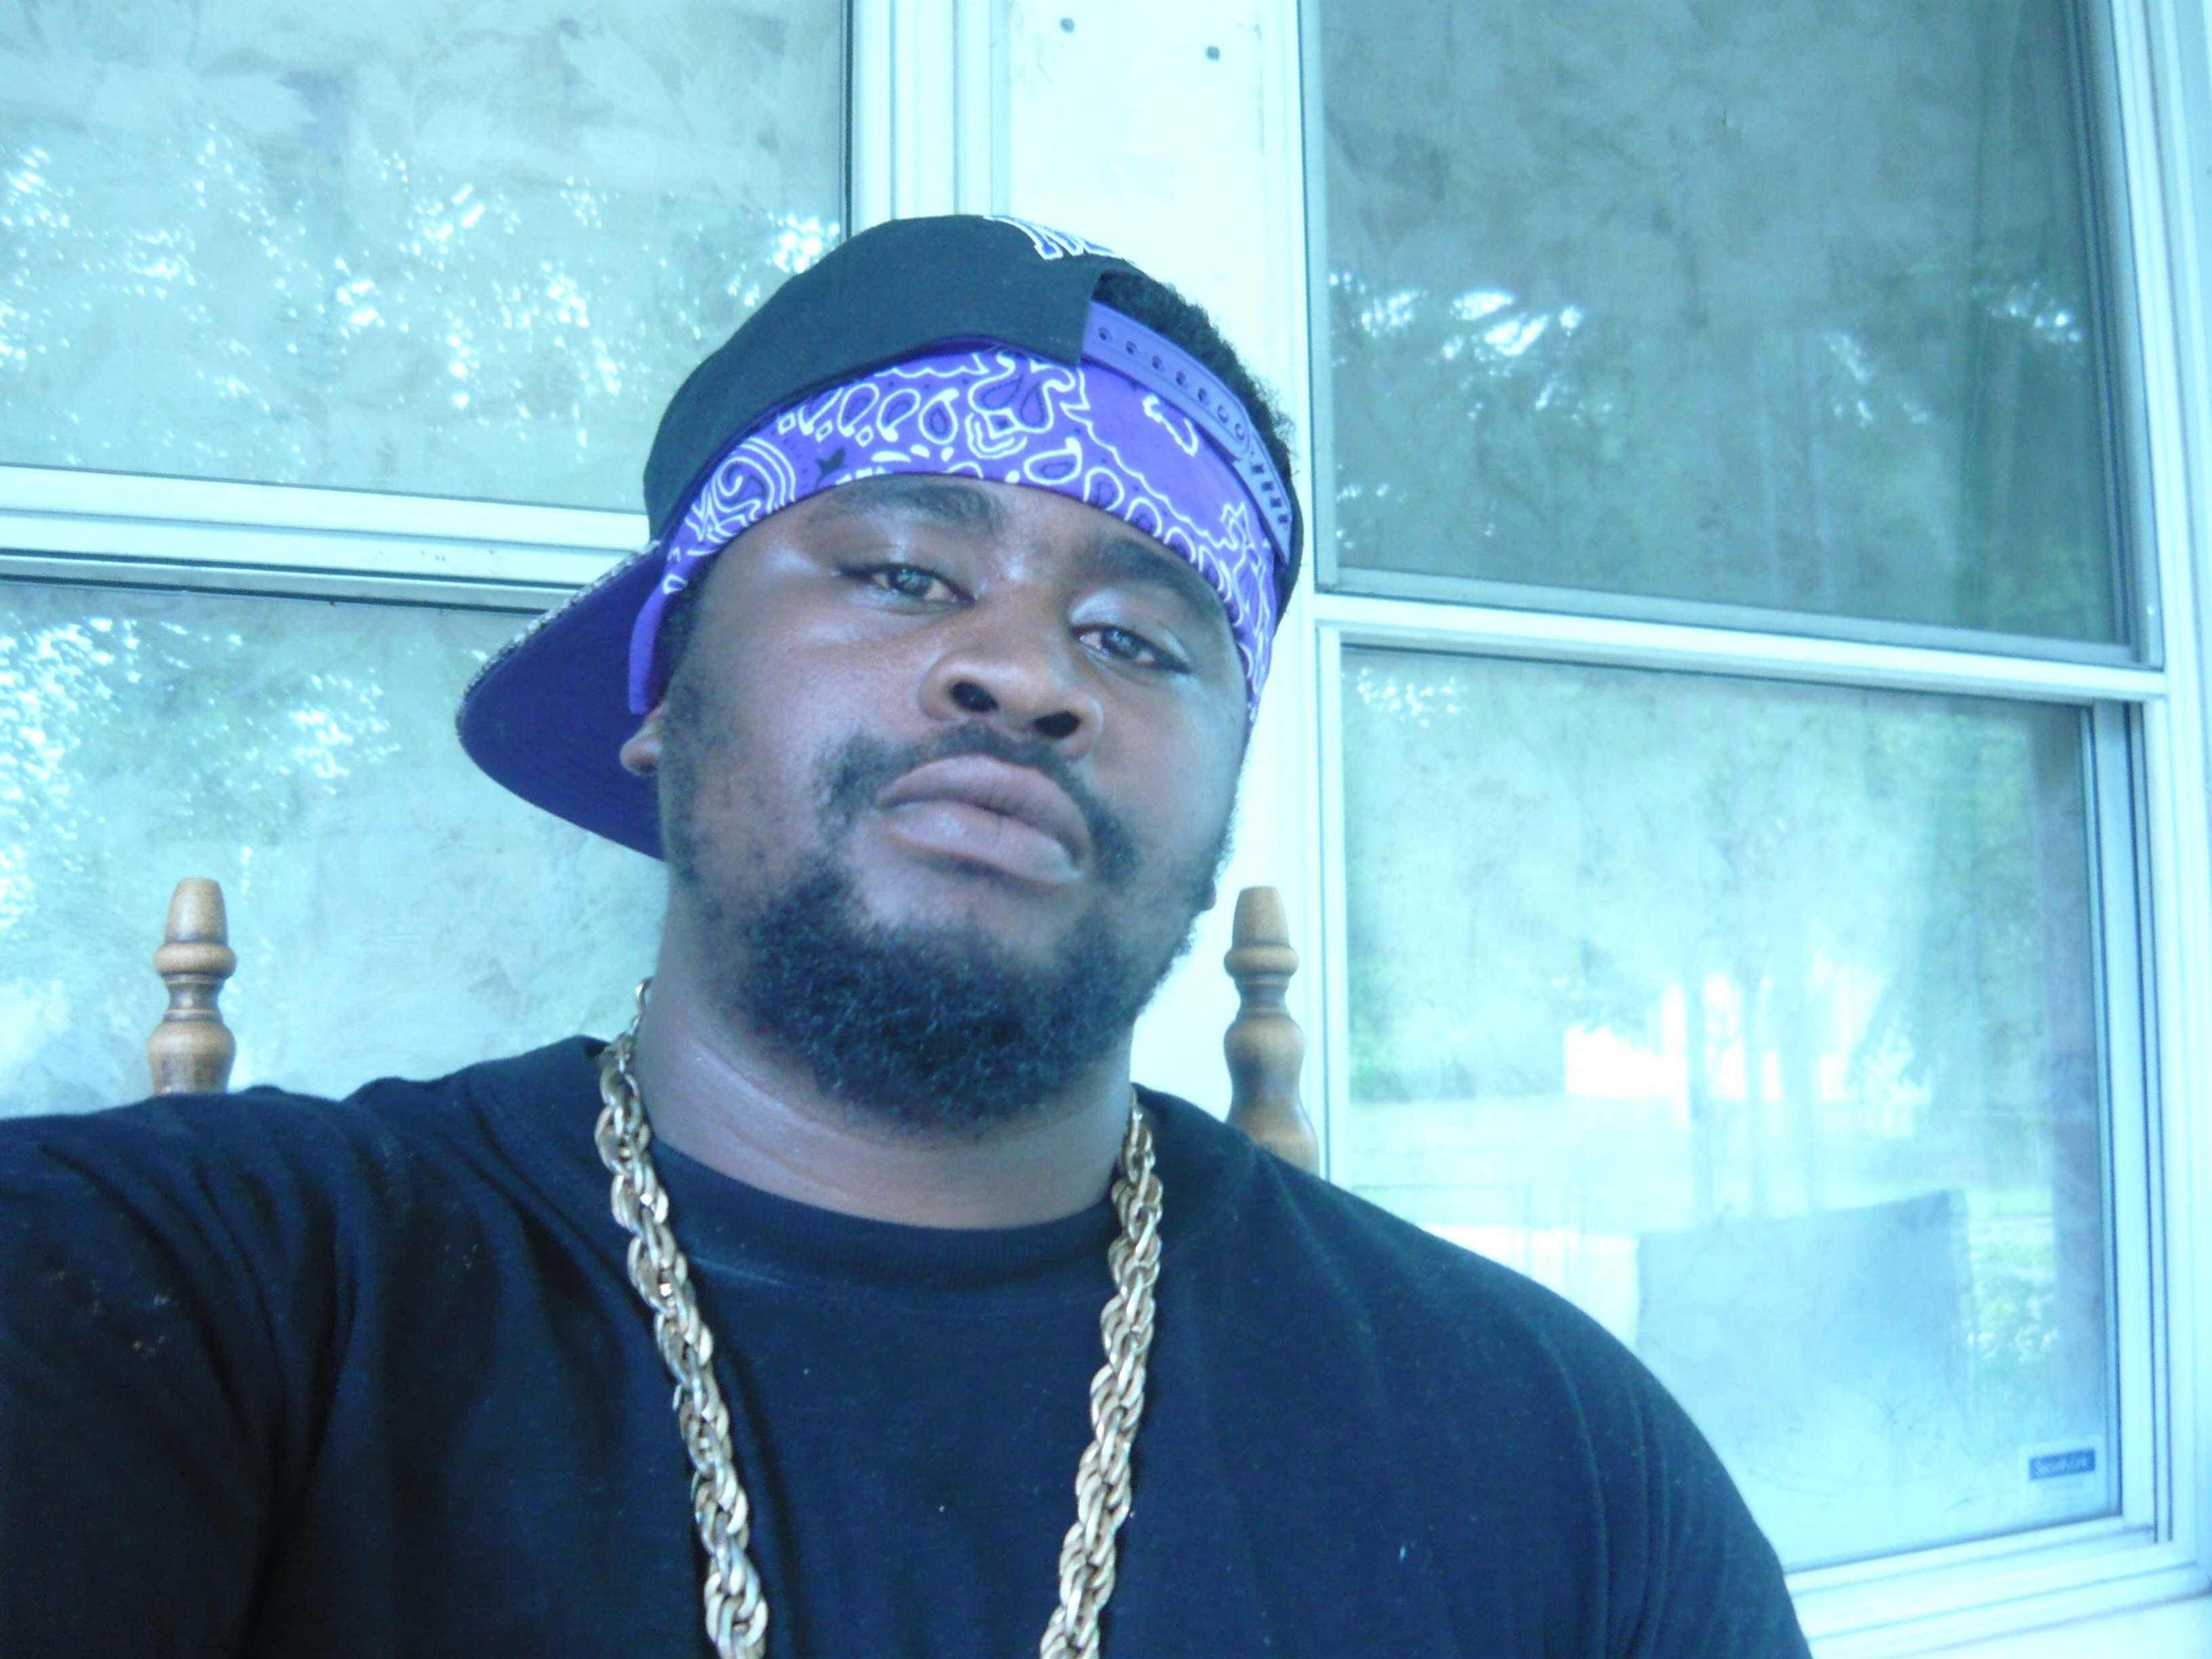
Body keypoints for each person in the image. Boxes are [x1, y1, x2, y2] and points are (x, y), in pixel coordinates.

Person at [0, 216, 1810, 1658]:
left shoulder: (1561, 1464)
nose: (1022, 671)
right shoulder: (186, 1301)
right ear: (659, 697)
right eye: (902, 574)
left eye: (1138, 640)